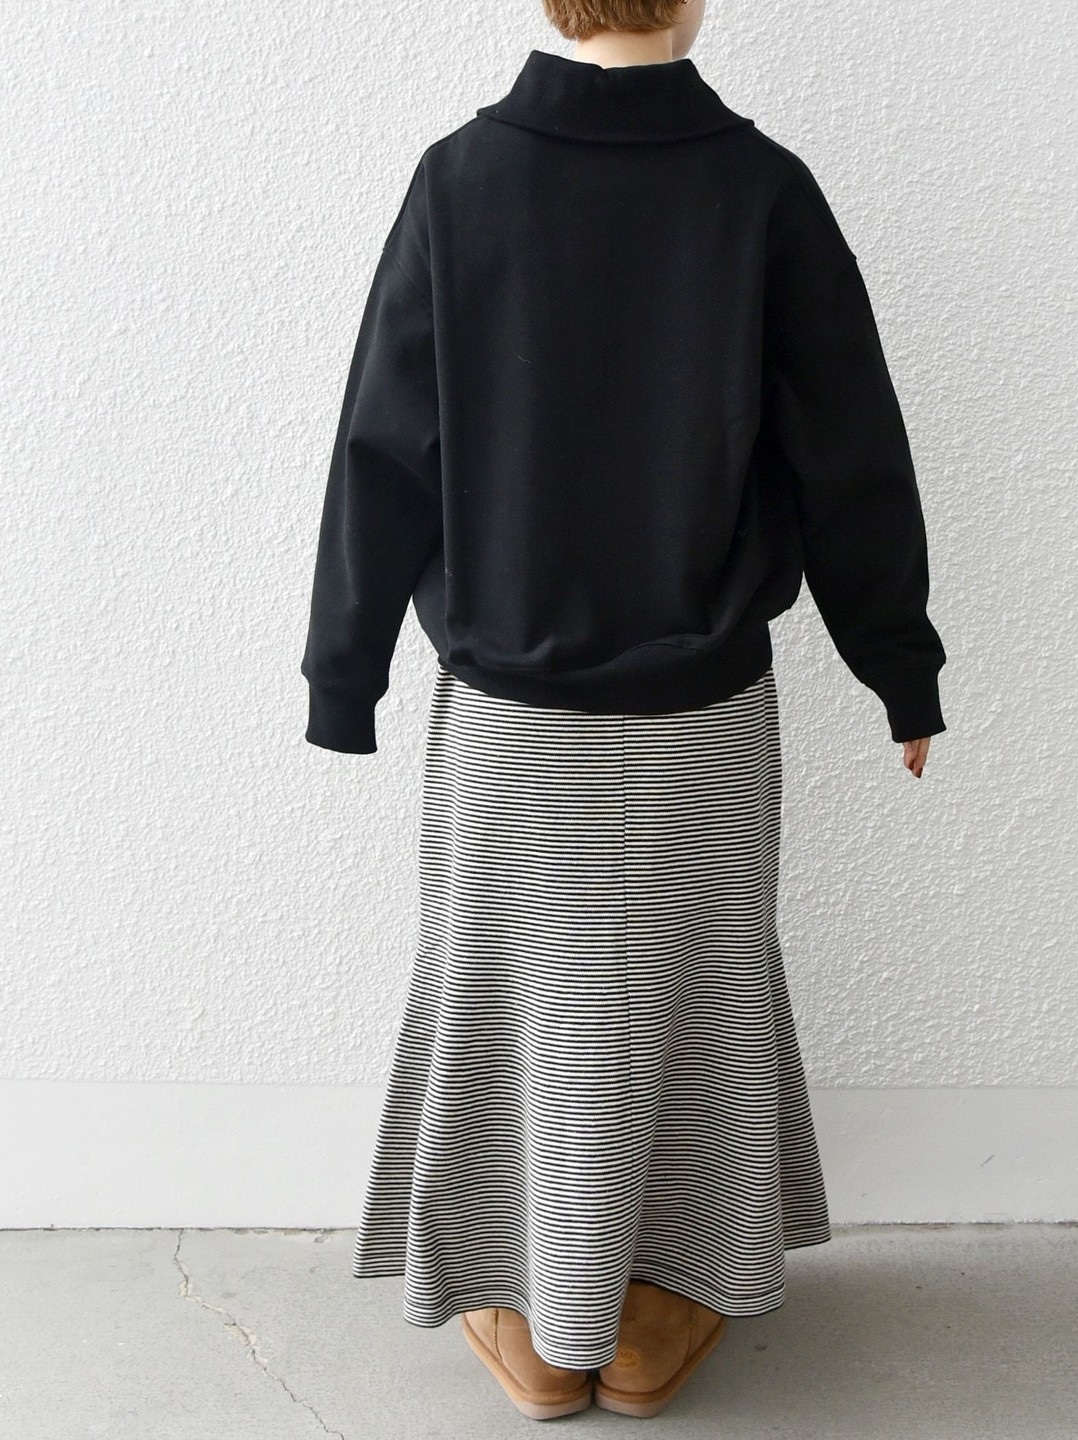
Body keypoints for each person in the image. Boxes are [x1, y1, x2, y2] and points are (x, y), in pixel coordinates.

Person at [299, 0, 947, 1421]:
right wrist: (897, 665)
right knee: (692, 1000)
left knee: (509, 997)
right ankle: (657, 1303)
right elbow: (849, 452)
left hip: (508, 717)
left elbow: (382, 451)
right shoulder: (762, 189)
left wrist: (343, 674)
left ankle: (533, 1309)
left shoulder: (461, 182)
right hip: (701, 714)